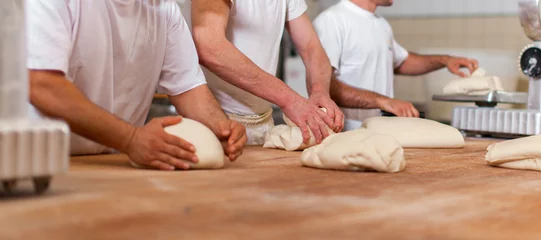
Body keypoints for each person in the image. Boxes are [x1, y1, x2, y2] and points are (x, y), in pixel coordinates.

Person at [27, 0, 247, 171]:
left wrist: (220, 126)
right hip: (40, 167)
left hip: (114, 166)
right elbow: (43, 85)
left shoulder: (163, 9)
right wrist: (130, 138)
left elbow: (189, 90)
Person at [190, 0, 344, 146]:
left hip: (263, 125)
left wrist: (320, 92)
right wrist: (290, 100)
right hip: (214, 123)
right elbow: (209, 46)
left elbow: (311, 47)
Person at [314, 0, 480, 130]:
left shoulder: (381, 24)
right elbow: (325, 86)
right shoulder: (332, 20)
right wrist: (384, 101)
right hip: (347, 132)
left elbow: (402, 62)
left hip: (380, 130)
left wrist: (445, 60)